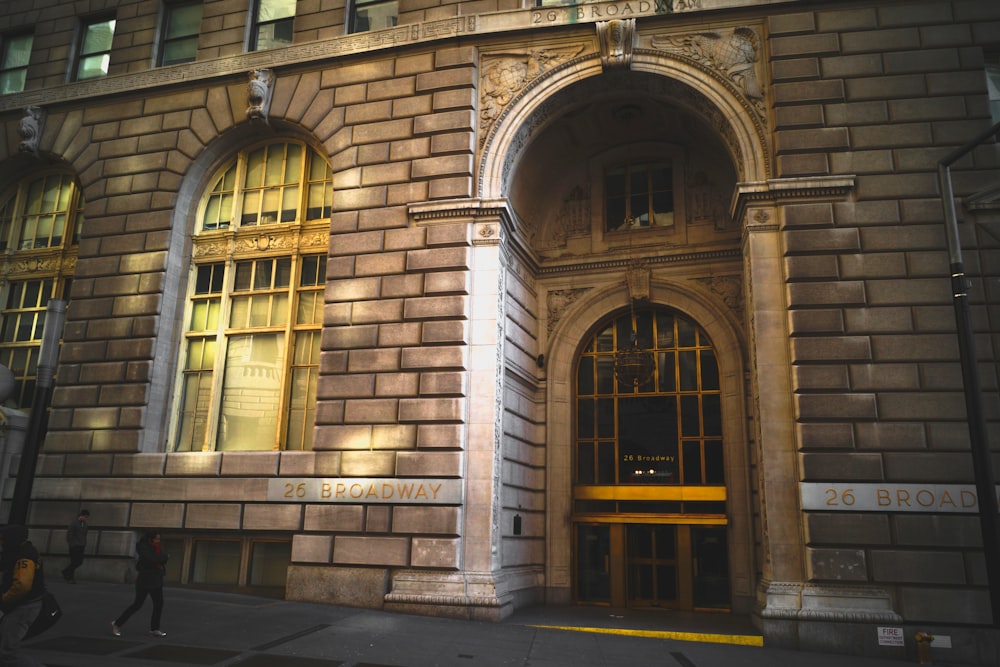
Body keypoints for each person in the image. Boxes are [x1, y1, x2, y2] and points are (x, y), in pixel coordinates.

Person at [0, 524, 46, 667]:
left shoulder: (25, 555)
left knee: (8, 653)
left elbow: (22, 585)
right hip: (24, 604)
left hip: (24, 606)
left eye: (3, 539)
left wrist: (4, 599)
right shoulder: (24, 551)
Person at [111, 530, 168, 638]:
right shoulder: (143, 546)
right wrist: (162, 558)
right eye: (156, 539)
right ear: (150, 538)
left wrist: (161, 558)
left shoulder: (157, 547)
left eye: (159, 539)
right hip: (145, 580)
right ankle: (117, 624)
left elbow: (162, 557)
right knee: (137, 604)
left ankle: (154, 628)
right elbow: (153, 559)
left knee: (158, 604)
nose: (158, 541)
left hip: (156, 579)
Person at [61, 509, 89, 584]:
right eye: (85, 517)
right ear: (81, 515)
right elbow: (69, 534)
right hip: (74, 545)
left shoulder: (85, 524)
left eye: (86, 517)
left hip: (81, 545)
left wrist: (84, 543)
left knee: (79, 561)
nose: (86, 518)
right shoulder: (74, 523)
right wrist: (72, 544)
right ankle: (70, 577)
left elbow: (84, 534)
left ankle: (66, 572)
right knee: (74, 561)